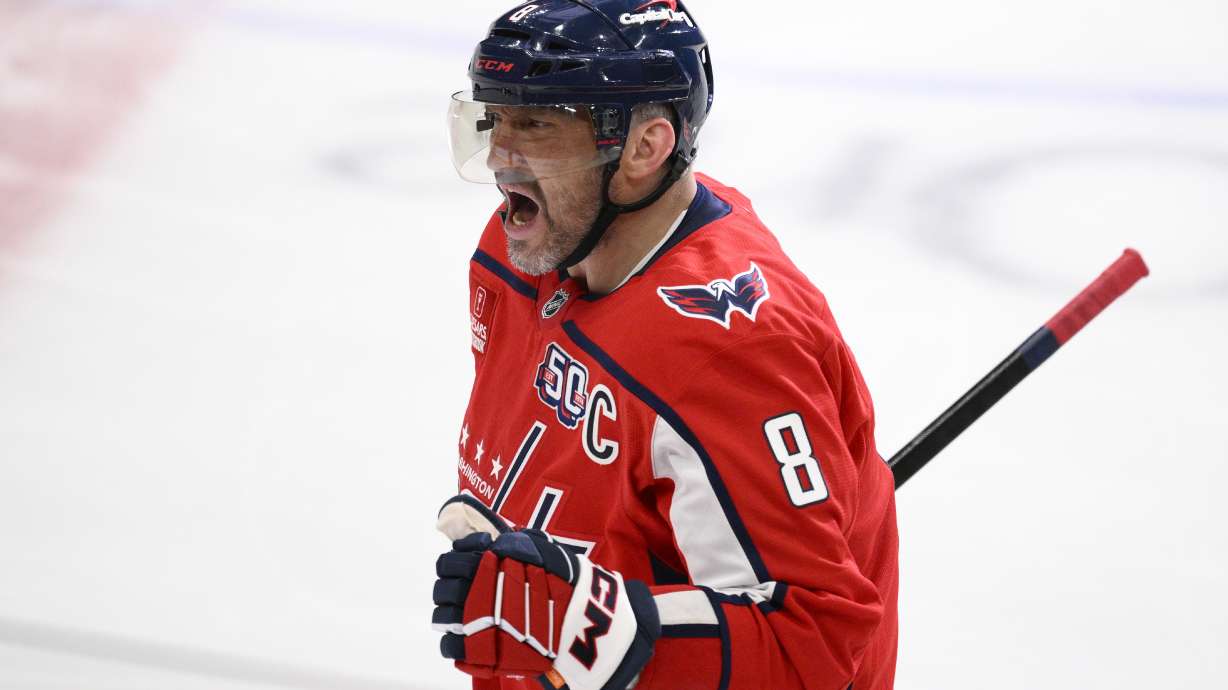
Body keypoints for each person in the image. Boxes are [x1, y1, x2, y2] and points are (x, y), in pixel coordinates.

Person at [430, 2, 899, 689]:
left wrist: (592, 631)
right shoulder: (521, 250)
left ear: (644, 148)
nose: (501, 159)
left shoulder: (728, 351)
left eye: (536, 125)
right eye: (495, 120)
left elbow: (812, 643)